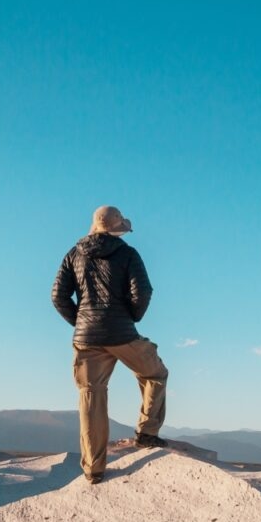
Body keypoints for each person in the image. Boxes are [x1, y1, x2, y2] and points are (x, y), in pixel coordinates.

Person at [52, 205, 169, 484]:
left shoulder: (74, 254)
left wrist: (82, 322)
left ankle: (93, 470)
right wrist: (130, 317)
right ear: (117, 228)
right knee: (155, 374)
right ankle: (147, 433)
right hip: (122, 334)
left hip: (86, 339)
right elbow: (142, 292)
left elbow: (58, 296)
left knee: (91, 396)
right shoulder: (128, 253)